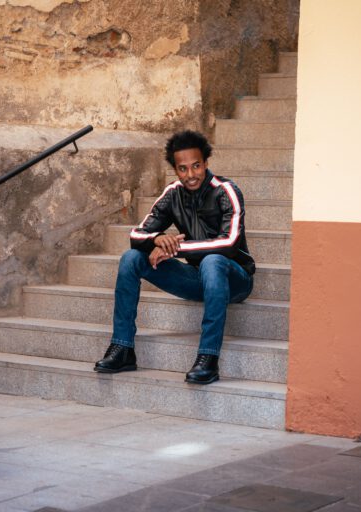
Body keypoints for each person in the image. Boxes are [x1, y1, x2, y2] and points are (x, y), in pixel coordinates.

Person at [94, 130, 255, 384]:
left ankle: (208, 358)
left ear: (206, 163)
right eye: (183, 169)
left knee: (213, 261)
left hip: (235, 279)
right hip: (198, 279)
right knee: (131, 258)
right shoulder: (173, 193)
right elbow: (137, 234)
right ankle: (123, 348)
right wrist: (157, 239)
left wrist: (174, 249)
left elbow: (229, 244)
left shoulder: (226, 191)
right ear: (175, 170)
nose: (190, 175)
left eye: (196, 166)